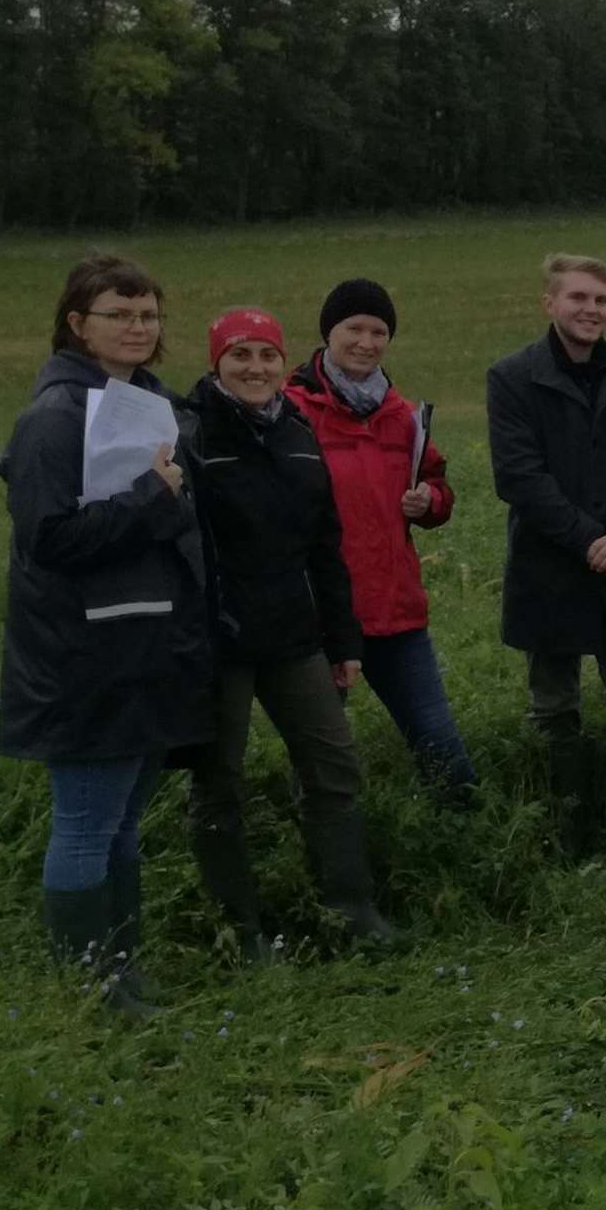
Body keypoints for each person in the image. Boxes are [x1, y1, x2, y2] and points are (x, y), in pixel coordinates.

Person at [0, 255, 211, 1013]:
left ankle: (122, 970)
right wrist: (156, 502)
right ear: (76, 323)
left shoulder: (145, 404)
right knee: (87, 826)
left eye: (148, 314)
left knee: (121, 826)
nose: (138, 327)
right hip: (80, 657)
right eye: (120, 313)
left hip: (143, 646)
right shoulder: (55, 417)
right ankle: (87, 988)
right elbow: (48, 538)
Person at [181, 308, 394, 957]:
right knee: (218, 784)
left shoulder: (296, 432)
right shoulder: (193, 433)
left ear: (283, 363)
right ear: (217, 363)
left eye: (267, 355)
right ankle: (240, 930)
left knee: (334, 769)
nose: (256, 368)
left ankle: (350, 911)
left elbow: (325, 546)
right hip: (221, 643)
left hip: (295, 636)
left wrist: (345, 641)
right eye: (240, 355)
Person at [485, 253, 606, 848]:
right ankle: (570, 835)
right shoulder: (513, 377)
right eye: (578, 298)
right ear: (549, 303)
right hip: (549, 572)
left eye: (601, 300)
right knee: (555, 712)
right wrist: (591, 539)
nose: (591, 310)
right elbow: (518, 476)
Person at [285, 278, 476, 799]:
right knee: (319, 768)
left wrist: (430, 502)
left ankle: (468, 850)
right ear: (329, 332)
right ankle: (316, 865)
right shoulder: (288, 410)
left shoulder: (403, 416)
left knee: (444, 753)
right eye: (355, 328)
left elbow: (435, 485)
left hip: (395, 611)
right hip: (320, 617)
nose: (367, 342)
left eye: (379, 331)